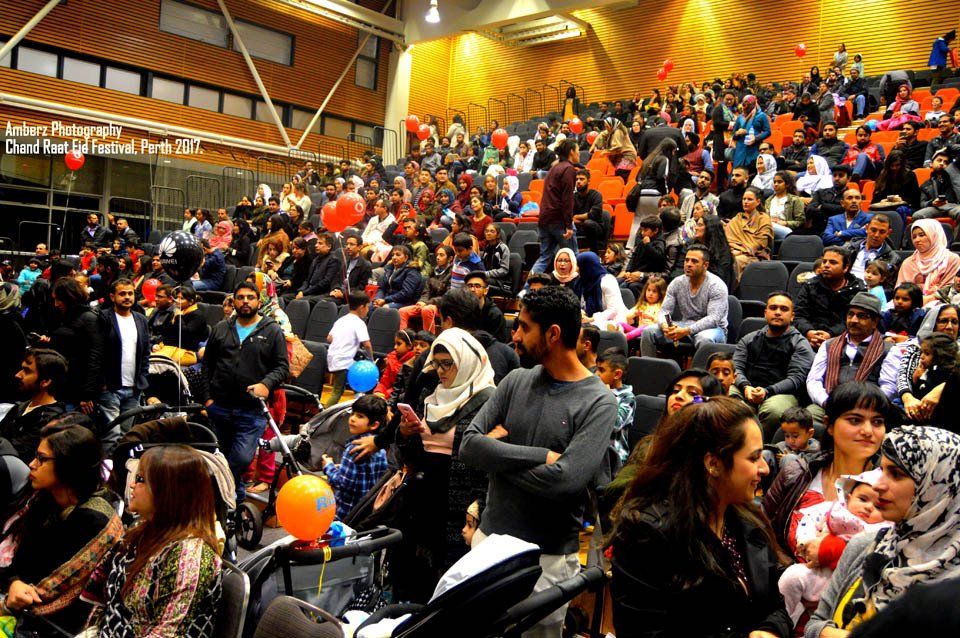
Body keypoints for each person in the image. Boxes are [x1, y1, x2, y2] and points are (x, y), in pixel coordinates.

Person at [460, 287, 616, 637]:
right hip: (488, 543)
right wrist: (541, 458)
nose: (514, 336)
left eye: (524, 327)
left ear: (553, 334)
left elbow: (566, 481)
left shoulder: (599, 402)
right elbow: (468, 446)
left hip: (545, 562)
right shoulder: (515, 380)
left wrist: (497, 458)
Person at [608, 397, 790, 638]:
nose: (764, 469)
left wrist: (770, 630)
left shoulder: (748, 522)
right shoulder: (647, 533)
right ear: (713, 463)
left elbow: (776, 606)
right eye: (753, 458)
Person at [805, 426, 960, 636]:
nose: (877, 485)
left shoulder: (953, 584)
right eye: (882, 470)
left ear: (938, 486)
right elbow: (816, 622)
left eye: (896, 474)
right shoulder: (867, 545)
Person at [83, 445, 222, 638]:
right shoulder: (141, 530)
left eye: (140, 480)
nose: (131, 485)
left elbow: (166, 633)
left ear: (168, 491)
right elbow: (106, 603)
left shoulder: (190, 556)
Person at [0, 423, 123, 633]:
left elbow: (45, 590)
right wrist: (14, 582)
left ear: (69, 465)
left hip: (57, 624)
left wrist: (12, 593)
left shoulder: (92, 518)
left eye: (42, 459)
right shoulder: (44, 500)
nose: (31, 464)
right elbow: (20, 566)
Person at [764, 381, 890, 565]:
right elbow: (762, 525)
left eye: (877, 422)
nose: (868, 431)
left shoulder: (889, 488)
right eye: (855, 420)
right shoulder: (798, 472)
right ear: (829, 425)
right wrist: (786, 568)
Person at [202, 282, 289, 502]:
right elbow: (207, 366)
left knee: (240, 458)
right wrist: (207, 399)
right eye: (240, 297)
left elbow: (282, 367)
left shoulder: (272, 330)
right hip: (219, 407)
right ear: (234, 301)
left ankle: (219, 494)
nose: (246, 302)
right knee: (220, 456)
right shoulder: (222, 328)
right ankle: (234, 505)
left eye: (250, 297)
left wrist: (266, 384)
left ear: (259, 301)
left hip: (251, 411)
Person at [777, 471, 888, 626]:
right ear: (849, 497)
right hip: (816, 572)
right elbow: (807, 520)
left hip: (846, 584)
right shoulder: (833, 510)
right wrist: (807, 540)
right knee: (791, 577)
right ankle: (785, 620)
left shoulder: (883, 529)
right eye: (863, 499)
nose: (868, 507)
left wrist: (830, 548)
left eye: (878, 505)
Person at [733, 292, 816, 438]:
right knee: (727, 399)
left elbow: (796, 379)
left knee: (774, 411)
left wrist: (767, 391)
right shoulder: (749, 339)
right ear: (765, 313)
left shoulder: (800, 344)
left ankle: (759, 444)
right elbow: (736, 368)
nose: (778, 312)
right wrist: (745, 386)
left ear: (792, 316)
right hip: (748, 389)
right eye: (773, 308)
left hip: (781, 394)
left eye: (784, 309)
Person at [640, 244, 728, 357]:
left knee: (704, 339)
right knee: (648, 332)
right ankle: (649, 369)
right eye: (687, 260)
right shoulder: (677, 283)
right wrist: (665, 326)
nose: (688, 264)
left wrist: (686, 330)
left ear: (705, 265)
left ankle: (699, 374)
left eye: (694, 261)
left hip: (713, 329)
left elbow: (713, 319)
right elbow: (664, 311)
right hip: (684, 325)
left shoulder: (716, 286)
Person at [99, 278, 150, 445]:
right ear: (112, 297)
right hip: (110, 387)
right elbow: (97, 352)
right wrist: (102, 383)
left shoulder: (141, 319)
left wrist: (143, 377)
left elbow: (145, 353)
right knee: (111, 436)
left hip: (134, 388)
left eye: (130, 293)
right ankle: (107, 470)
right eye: (122, 294)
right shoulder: (104, 318)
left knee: (126, 436)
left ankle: (121, 469)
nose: (127, 297)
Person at [321, 394, 389, 521]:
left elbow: (343, 483)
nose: (352, 419)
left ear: (374, 424)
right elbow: (368, 473)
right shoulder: (381, 449)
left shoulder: (353, 449)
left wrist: (328, 466)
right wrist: (342, 467)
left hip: (345, 512)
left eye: (360, 416)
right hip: (364, 512)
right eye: (353, 414)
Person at [45, 278, 104, 415]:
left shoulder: (89, 318)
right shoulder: (65, 317)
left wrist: (87, 394)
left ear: (69, 298)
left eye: (59, 299)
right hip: (64, 386)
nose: (56, 304)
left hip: (79, 390)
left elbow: (95, 356)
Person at [0, 349, 66, 462]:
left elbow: (16, 453)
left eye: (26, 371)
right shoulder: (22, 406)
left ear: (45, 381)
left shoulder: (52, 419)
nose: (18, 375)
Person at [795, 247, 867, 349]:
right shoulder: (810, 285)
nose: (826, 265)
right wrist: (809, 332)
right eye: (824, 261)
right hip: (809, 340)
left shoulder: (858, 289)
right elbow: (799, 315)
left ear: (845, 267)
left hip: (845, 342)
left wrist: (830, 334)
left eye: (833, 262)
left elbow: (857, 320)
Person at [323, 291, 373, 409]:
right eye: (367, 308)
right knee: (337, 391)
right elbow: (367, 345)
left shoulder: (341, 320)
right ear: (362, 307)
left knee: (353, 386)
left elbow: (329, 338)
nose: (367, 311)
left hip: (333, 359)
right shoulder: (359, 323)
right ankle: (322, 416)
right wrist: (371, 360)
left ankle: (357, 403)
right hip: (344, 361)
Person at [896, 219, 960, 306]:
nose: (917, 240)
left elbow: (951, 289)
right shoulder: (908, 262)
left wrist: (927, 298)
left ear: (934, 235)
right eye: (914, 237)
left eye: (921, 235)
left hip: (943, 302)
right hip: (909, 303)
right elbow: (900, 290)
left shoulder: (952, 259)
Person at [630, 138, 678, 248]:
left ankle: (632, 248)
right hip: (654, 195)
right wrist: (665, 194)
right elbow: (662, 177)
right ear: (670, 149)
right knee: (656, 223)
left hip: (641, 195)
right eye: (674, 150)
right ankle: (655, 247)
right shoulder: (664, 159)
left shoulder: (648, 159)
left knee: (638, 222)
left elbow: (638, 177)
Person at [596, 348, 634, 475]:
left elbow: (614, 424)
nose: (596, 374)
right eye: (597, 369)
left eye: (601, 370)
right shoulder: (596, 391)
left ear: (617, 374)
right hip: (595, 452)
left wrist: (606, 395)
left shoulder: (628, 398)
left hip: (614, 459)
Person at [725, 186, 773, 281]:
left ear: (758, 202)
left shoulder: (763, 218)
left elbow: (760, 243)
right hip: (733, 252)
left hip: (755, 256)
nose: (745, 202)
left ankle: (732, 291)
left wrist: (740, 251)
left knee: (736, 261)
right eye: (744, 199)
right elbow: (727, 240)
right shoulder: (736, 219)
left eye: (749, 199)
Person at [846, 213, 900, 281]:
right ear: (867, 228)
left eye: (882, 232)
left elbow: (888, 286)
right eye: (873, 230)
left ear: (888, 233)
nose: (876, 235)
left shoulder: (893, 259)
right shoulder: (849, 248)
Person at [913, 148, 960, 220]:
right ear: (931, 164)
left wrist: (948, 147)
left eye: (945, 162)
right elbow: (922, 203)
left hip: (953, 206)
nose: (942, 163)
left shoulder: (953, 175)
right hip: (936, 208)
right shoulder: (925, 184)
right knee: (917, 215)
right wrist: (932, 203)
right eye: (939, 160)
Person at [805, 164, 852, 236]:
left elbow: (846, 211)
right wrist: (836, 209)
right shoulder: (820, 192)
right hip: (817, 229)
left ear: (849, 178)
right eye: (834, 175)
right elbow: (810, 209)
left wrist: (823, 206)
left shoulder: (851, 196)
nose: (836, 178)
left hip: (839, 231)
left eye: (841, 175)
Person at [463, 271, 508, 343]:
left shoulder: (495, 314)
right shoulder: (462, 309)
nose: (472, 290)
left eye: (477, 286)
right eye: (469, 286)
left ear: (486, 291)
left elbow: (498, 344)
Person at [619, 275, 666, 343]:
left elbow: (663, 322)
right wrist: (635, 313)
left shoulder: (661, 306)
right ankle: (617, 334)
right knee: (621, 323)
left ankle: (627, 336)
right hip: (637, 330)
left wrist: (652, 319)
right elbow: (627, 316)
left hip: (650, 332)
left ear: (661, 294)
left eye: (654, 291)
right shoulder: (642, 304)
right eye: (648, 290)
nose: (650, 293)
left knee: (645, 327)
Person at [374, 245, 422, 310]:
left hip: (405, 302)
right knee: (371, 306)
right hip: (388, 299)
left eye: (398, 255)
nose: (394, 257)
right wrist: (378, 299)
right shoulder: (389, 269)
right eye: (393, 255)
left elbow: (406, 293)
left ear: (406, 257)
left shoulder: (412, 271)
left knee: (384, 309)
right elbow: (381, 288)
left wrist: (385, 300)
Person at [731, 94, 771, 171]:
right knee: (738, 170)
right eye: (744, 104)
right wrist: (737, 133)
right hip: (741, 148)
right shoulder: (740, 117)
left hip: (754, 147)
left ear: (754, 104)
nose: (745, 106)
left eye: (748, 104)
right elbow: (733, 135)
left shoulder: (761, 115)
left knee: (752, 169)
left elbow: (768, 132)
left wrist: (756, 138)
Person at [572, 169, 606, 253]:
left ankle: (594, 252)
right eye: (577, 179)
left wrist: (576, 217)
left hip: (596, 227)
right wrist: (582, 218)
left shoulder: (596, 195)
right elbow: (568, 216)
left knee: (588, 223)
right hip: (578, 227)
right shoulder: (573, 197)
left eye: (582, 179)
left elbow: (594, 214)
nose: (578, 182)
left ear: (588, 181)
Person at [767, 171, 807, 239]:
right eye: (774, 182)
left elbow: (801, 221)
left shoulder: (795, 200)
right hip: (770, 228)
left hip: (787, 230)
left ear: (787, 184)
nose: (776, 184)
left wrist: (785, 223)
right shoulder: (768, 200)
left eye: (779, 182)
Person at [480, 225, 511, 295]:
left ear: (498, 234)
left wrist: (487, 273)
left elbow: (504, 270)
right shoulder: (487, 248)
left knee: (480, 281)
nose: (488, 233)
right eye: (486, 231)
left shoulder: (503, 248)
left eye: (492, 231)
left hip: (500, 281)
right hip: (488, 277)